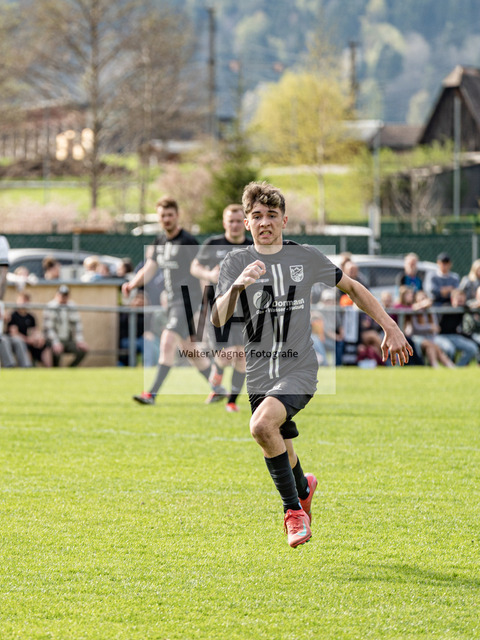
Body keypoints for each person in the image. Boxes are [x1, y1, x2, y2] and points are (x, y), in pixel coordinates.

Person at [212, 182, 412, 548]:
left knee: (261, 426)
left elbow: (353, 288)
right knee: (280, 443)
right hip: (259, 372)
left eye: (272, 215)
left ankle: (294, 513)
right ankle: (304, 488)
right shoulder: (235, 263)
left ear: (284, 220)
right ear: (247, 222)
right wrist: (237, 287)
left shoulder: (304, 257)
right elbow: (217, 317)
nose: (264, 222)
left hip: (298, 367)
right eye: (257, 216)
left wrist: (391, 326)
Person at [122, 196, 226, 405]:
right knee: (189, 349)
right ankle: (217, 388)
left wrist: (207, 301)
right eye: (163, 215)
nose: (166, 219)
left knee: (167, 340)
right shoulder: (160, 240)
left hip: (187, 300)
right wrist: (132, 284)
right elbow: (150, 268)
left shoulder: (187, 241)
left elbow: (198, 270)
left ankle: (151, 394)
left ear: (177, 216)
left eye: (170, 215)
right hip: (171, 301)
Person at [190, 203, 253, 411]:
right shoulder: (213, 243)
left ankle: (232, 402)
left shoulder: (252, 246)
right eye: (231, 221)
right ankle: (217, 370)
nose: (235, 225)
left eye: (238, 221)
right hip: (218, 309)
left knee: (241, 356)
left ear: (245, 223)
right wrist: (209, 275)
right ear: (225, 223)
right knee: (226, 355)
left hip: (245, 310)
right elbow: (194, 267)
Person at [44, 285, 89, 367]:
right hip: (53, 340)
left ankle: (70, 370)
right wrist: (56, 342)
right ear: (57, 295)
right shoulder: (51, 306)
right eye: (61, 295)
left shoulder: (72, 306)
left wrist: (80, 341)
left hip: (68, 339)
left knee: (82, 350)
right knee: (56, 351)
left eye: (65, 295)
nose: (63, 297)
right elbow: (49, 328)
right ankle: (56, 371)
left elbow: (77, 326)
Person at [433, 288, 479, 366]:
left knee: (472, 348)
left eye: (462, 301)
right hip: (441, 336)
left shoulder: (463, 308)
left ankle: (458, 367)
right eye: (458, 300)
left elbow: (471, 306)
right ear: (452, 299)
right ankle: (449, 366)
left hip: (454, 335)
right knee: (449, 349)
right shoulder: (445, 308)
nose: (460, 303)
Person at [409, 290, 455, 368]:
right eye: (421, 299)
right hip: (417, 337)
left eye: (425, 298)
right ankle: (445, 364)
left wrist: (431, 329)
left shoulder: (431, 311)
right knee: (431, 345)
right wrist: (430, 327)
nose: (424, 301)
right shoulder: (414, 311)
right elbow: (417, 328)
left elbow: (436, 327)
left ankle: (436, 365)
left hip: (430, 337)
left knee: (433, 346)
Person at [8, 292, 52, 367]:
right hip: (20, 342)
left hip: (30, 341)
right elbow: (14, 333)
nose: (24, 303)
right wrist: (27, 340)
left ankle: (49, 369)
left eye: (26, 300)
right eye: (22, 300)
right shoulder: (13, 315)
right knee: (25, 346)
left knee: (45, 346)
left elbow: (34, 331)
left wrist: (39, 338)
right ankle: (28, 367)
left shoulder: (31, 317)